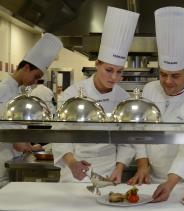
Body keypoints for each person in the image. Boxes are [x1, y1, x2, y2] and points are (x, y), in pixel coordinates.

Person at [128, 7, 184, 202]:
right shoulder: (149, 90)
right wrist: (142, 165)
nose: (167, 82)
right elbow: (139, 129)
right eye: (163, 74)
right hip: (151, 178)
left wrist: (170, 182)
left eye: (175, 76)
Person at [52, 6, 140, 183]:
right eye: (109, 70)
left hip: (109, 170)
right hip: (75, 170)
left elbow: (127, 139)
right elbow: (59, 133)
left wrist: (120, 167)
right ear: (97, 64)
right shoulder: (73, 93)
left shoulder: (123, 98)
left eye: (119, 71)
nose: (114, 77)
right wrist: (71, 163)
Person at [0, 33, 63, 187]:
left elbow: (16, 128)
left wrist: (28, 144)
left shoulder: (19, 92)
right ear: (26, 67)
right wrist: (15, 141)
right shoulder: (2, 90)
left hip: (12, 160)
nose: (35, 82)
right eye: (35, 76)